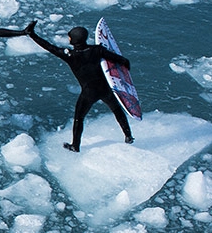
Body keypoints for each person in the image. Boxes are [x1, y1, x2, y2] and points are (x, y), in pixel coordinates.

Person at [26, 24, 133, 152]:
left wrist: (32, 34)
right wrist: (125, 73)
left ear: (73, 40)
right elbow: (123, 60)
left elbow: (49, 47)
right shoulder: (97, 50)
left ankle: (75, 146)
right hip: (105, 89)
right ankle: (128, 136)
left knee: (79, 118)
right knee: (117, 111)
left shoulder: (70, 55)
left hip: (89, 93)